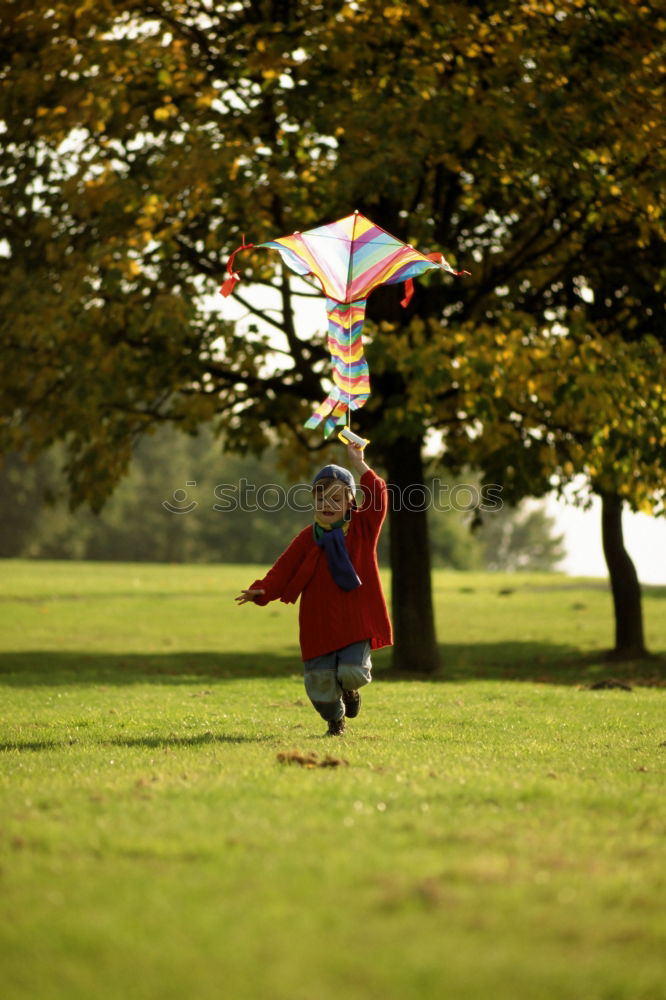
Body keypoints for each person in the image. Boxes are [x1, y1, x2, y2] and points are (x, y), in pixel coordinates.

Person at [236, 442, 392, 735]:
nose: (327, 505)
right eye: (321, 498)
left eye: (336, 499)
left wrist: (359, 464)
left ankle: (350, 691)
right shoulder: (308, 537)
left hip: (355, 618)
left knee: (353, 672)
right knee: (319, 684)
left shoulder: (362, 528)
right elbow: (283, 571)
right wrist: (262, 591)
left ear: (350, 502)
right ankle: (336, 721)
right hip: (317, 621)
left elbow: (379, 497)